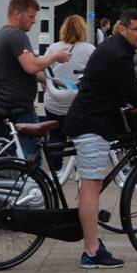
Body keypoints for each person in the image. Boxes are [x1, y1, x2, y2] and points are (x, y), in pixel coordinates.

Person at [63, 8, 137, 268]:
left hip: (89, 120)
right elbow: (135, 99)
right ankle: (91, 251)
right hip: (92, 125)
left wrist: (135, 87)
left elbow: (119, 84)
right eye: (136, 29)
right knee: (91, 187)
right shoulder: (119, 55)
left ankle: (91, 242)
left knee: (89, 185)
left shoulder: (114, 48)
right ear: (122, 29)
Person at [0, 0, 70, 156]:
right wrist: (54, 56)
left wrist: (55, 82)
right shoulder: (16, 36)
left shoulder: (2, 35)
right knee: (30, 160)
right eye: (30, 16)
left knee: (4, 160)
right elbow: (31, 66)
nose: (34, 20)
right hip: (17, 110)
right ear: (17, 14)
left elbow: (24, 70)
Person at [42, 15, 96, 171]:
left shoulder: (53, 48)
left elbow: (44, 73)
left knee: (56, 134)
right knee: (81, 136)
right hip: (78, 103)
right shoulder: (90, 50)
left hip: (54, 102)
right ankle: (80, 170)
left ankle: (55, 169)